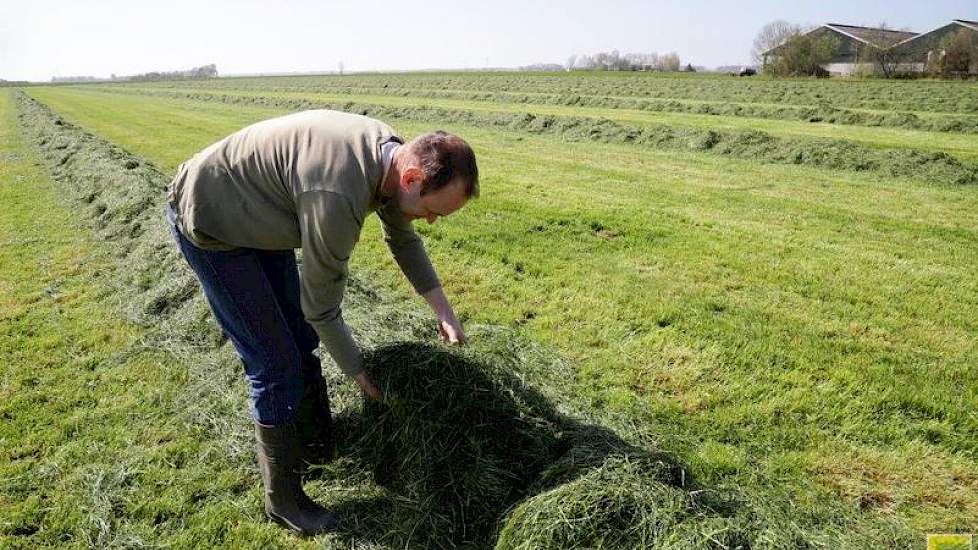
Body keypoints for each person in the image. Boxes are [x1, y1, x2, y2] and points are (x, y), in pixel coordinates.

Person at [164, 109, 478, 536]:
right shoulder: (338, 193)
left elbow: (402, 236)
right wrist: (362, 376)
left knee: (298, 338)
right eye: (431, 210)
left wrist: (445, 312)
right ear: (410, 178)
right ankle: (284, 501)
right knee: (275, 362)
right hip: (212, 218)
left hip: (264, 211)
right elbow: (322, 308)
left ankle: (314, 443)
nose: (431, 220)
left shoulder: (394, 154)